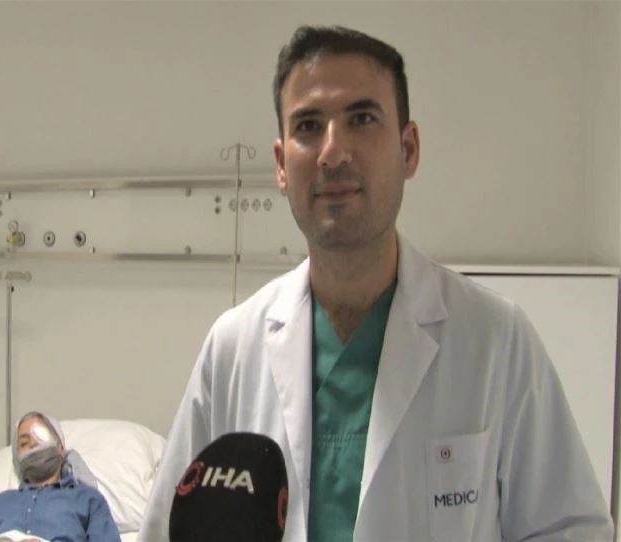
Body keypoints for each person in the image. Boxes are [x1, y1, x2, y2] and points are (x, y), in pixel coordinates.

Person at [139, 24, 614, 542]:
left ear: (408, 149)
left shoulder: (495, 339)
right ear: (281, 165)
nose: (333, 152)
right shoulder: (233, 348)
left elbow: (572, 529)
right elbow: (167, 530)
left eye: (362, 119)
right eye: (308, 126)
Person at [0, 411, 121, 542]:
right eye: (24, 443)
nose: (33, 445)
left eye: (40, 436)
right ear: (17, 458)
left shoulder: (88, 500)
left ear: (60, 448)